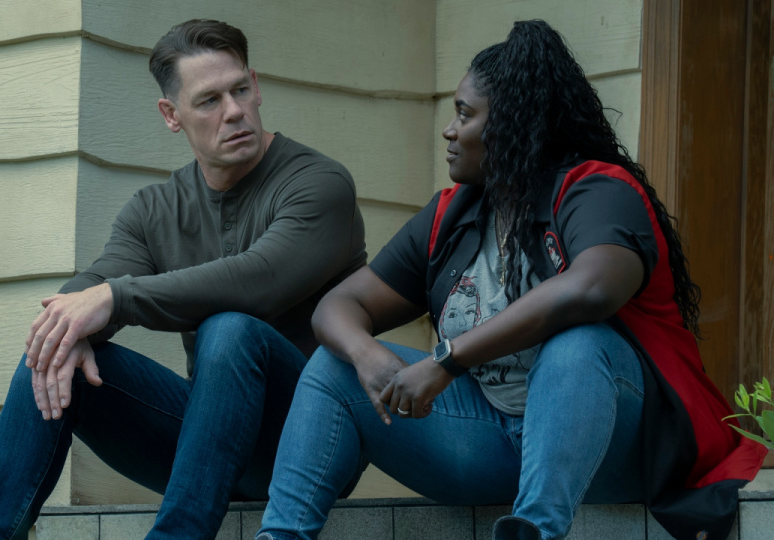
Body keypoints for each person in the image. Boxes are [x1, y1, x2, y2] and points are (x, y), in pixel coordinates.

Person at [255, 20, 766, 540]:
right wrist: (368, 358)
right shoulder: (450, 216)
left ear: (516, 124)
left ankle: (536, 533)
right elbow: (337, 307)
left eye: (464, 114)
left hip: (622, 444)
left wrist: (446, 359)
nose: (449, 130)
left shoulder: (597, 190)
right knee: (333, 362)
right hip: (492, 441)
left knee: (578, 342)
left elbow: (591, 289)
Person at [0, 19, 366, 540]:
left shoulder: (319, 183)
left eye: (240, 90)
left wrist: (115, 300)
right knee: (57, 341)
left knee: (232, 326)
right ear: (172, 115)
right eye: (209, 100)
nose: (234, 110)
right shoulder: (153, 208)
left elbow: (261, 279)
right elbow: (93, 284)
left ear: (256, 85)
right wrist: (76, 324)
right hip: (208, 440)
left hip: (313, 440)